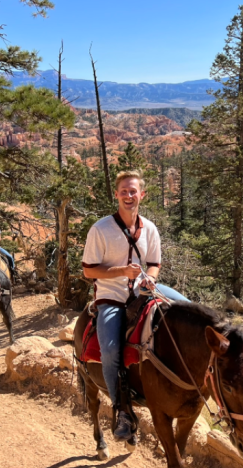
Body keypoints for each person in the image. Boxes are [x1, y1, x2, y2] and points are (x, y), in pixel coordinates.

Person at [81, 170, 189, 443]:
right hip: (112, 296)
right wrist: (122, 272)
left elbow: (154, 263)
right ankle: (121, 409)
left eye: (134, 191)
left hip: (144, 290)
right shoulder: (101, 229)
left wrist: (150, 279)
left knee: (188, 311)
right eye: (124, 191)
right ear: (116, 195)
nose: (129, 196)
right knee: (110, 348)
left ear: (142, 195)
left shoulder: (149, 228)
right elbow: (88, 270)